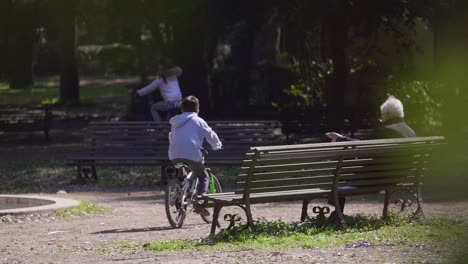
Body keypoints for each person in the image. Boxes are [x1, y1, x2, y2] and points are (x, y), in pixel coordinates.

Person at [325, 95, 416, 221]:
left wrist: (340, 138)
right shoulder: (410, 132)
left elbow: (362, 146)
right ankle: (337, 212)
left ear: (388, 114)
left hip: (377, 178)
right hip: (399, 177)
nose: (381, 118)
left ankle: (337, 214)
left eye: (382, 115)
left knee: (339, 174)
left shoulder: (384, 132)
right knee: (344, 173)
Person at [168, 95, 223, 216]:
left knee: (187, 173)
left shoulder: (175, 121)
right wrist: (217, 145)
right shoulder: (198, 120)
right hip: (191, 153)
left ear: (182, 109)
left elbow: (171, 136)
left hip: (174, 154)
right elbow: (210, 134)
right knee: (203, 176)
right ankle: (200, 203)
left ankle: (179, 194)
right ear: (197, 109)